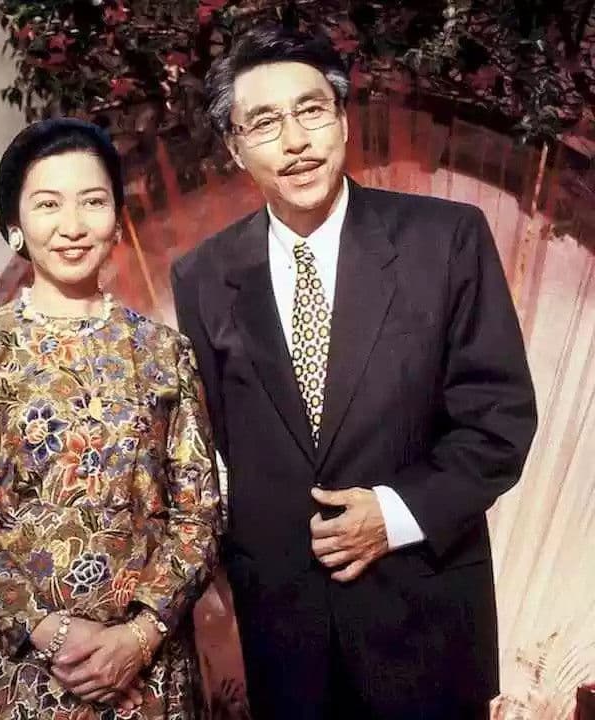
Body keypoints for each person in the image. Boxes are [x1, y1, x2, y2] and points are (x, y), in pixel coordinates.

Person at [171, 25, 538, 719]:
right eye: (265, 122)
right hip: (285, 638)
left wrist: (395, 514)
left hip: (425, 618)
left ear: (342, 119)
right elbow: (219, 445)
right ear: (236, 148)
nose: (295, 140)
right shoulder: (203, 275)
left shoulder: (445, 240)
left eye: (311, 110)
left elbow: (500, 424)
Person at [0, 118, 222, 720]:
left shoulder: (164, 351)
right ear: (15, 226)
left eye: (93, 202)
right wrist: (45, 629)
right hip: (11, 669)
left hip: (146, 672)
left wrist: (138, 638)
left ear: (117, 219)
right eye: (48, 204)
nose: (72, 226)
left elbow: (200, 516)